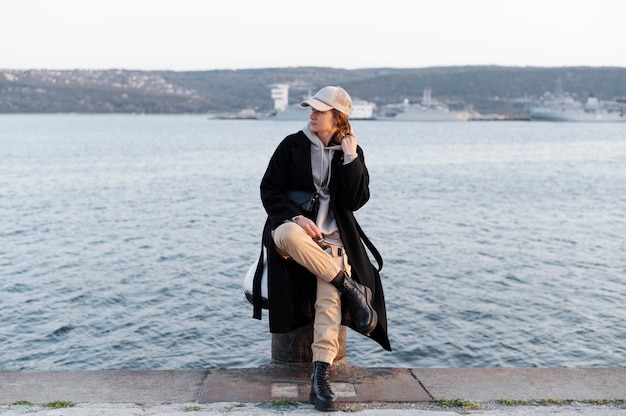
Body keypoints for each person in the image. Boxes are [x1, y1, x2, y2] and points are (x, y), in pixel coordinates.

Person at [251, 85, 391, 412]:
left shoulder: (349, 151)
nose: (311, 114)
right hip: (296, 233)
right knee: (283, 235)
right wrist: (296, 217)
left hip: (334, 239)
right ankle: (351, 289)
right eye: (310, 109)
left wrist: (351, 158)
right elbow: (269, 190)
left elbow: (356, 201)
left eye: (319, 110)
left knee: (329, 296)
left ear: (337, 117)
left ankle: (320, 375)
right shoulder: (292, 145)